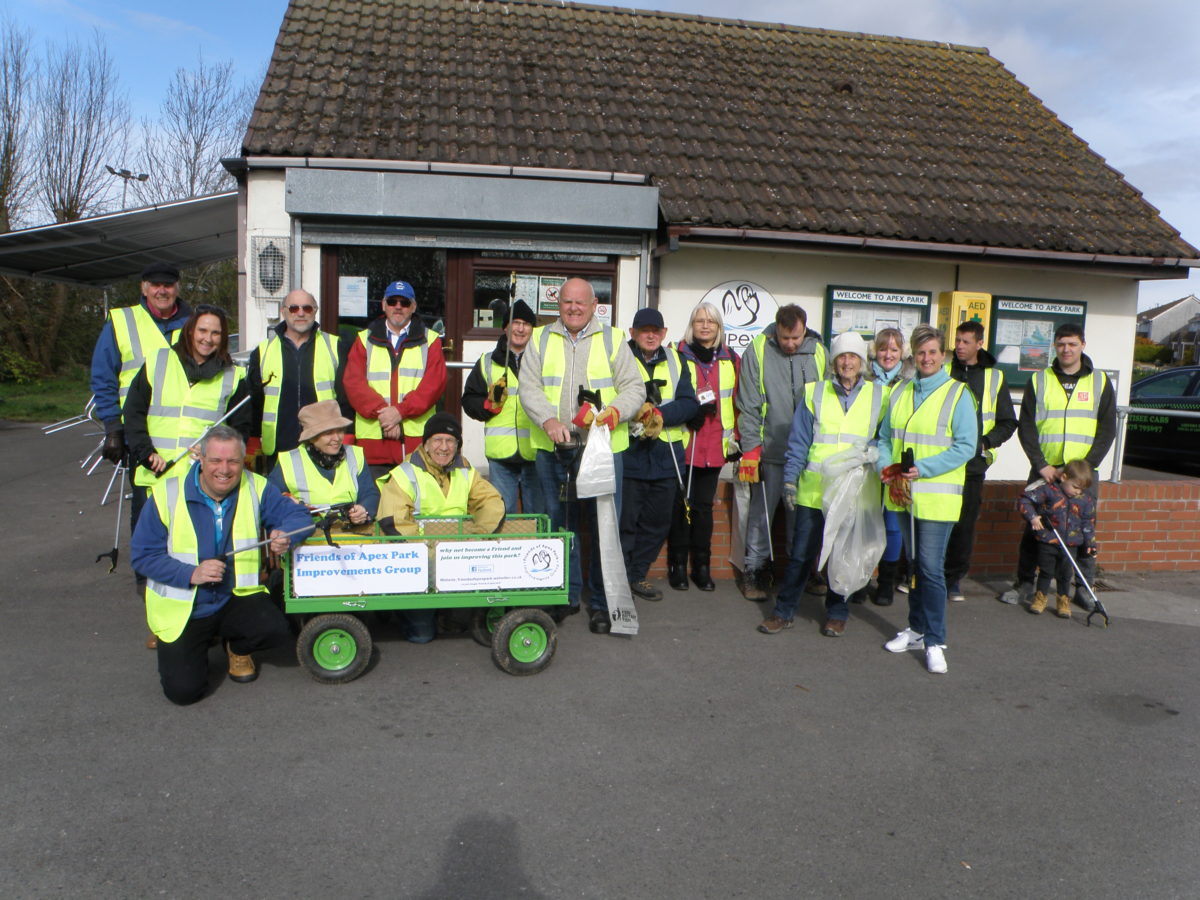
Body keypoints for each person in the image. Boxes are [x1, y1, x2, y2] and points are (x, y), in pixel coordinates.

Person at [131, 426, 315, 705]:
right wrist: (191, 573)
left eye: (233, 461)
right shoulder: (165, 493)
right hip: (186, 607)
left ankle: (237, 648)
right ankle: (188, 645)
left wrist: (287, 533)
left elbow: (300, 516)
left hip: (236, 596)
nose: (225, 469)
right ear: (201, 460)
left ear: (243, 462)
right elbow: (143, 555)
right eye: (216, 461)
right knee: (184, 693)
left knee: (277, 629)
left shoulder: (256, 486)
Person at [518, 277, 646, 634]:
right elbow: (528, 388)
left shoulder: (613, 338)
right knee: (561, 526)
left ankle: (603, 605)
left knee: (604, 529)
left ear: (594, 306)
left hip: (603, 449)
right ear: (558, 305)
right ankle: (565, 597)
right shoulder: (541, 338)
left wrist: (615, 413)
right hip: (553, 450)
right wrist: (547, 421)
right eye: (567, 302)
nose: (573, 308)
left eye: (581, 303)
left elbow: (635, 388)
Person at [123, 303, 250, 650]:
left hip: (203, 483)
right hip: (156, 478)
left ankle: (210, 625)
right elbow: (133, 412)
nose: (208, 339)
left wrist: (215, 450)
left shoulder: (233, 375)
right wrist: (146, 453)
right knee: (152, 553)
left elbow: (241, 429)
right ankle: (160, 622)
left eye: (216, 333)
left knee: (203, 551)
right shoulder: (159, 362)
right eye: (202, 330)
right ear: (190, 330)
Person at [758, 331, 885, 637]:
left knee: (844, 554)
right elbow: (799, 441)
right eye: (842, 356)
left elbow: (885, 440)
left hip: (854, 490)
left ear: (862, 361)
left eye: (853, 356)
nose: (847, 362)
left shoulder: (880, 396)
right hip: (814, 490)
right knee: (801, 554)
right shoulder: (815, 392)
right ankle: (783, 611)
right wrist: (789, 479)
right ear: (833, 361)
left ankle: (837, 613)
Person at [877, 325, 977, 675]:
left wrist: (925, 468)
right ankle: (917, 630)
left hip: (936, 498)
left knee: (931, 570)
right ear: (913, 357)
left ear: (943, 356)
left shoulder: (958, 394)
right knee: (915, 565)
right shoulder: (901, 391)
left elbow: (965, 447)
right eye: (921, 353)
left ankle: (935, 640)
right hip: (904, 494)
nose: (927, 358)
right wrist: (883, 466)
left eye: (933, 352)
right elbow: (885, 437)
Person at [1001, 323, 1115, 609]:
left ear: (1083, 345)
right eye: (1062, 344)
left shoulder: (1100, 382)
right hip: (1046, 472)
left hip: (1083, 477)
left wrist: (1083, 471)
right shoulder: (1040, 380)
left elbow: (1107, 429)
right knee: (1034, 529)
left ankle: (1083, 588)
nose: (1066, 349)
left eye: (1072, 344)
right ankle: (1026, 584)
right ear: (1055, 346)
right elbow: (1026, 426)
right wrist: (1041, 465)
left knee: (1084, 530)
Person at [376, 412, 505, 643]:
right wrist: (434, 555)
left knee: (459, 618)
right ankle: (402, 611)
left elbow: (491, 502)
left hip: (455, 557)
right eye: (437, 440)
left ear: (457, 446)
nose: (443, 447)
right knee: (422, 635)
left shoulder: (465, 470)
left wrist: (478, 536)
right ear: (425, 444)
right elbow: (395, 524)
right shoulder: (404, 474)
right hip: (418, 561)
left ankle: (447, 613)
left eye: (450, 441)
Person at [735, 304, 826, 601]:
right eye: (785, 338)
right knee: (762, 517)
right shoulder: (758, 350)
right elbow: (748, 404)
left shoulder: (819, 351)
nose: (790, 344)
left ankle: (802, 571)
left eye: (796, 338)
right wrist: (751, 450)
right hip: (770, 450)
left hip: (808, 453)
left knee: (802, 516)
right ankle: (755, 571)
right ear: (776, 330)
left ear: (805, 329)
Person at [619, 308, 698, 601]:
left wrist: (658, 413)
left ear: (664, 334)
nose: (650, 335)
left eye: (656, 330)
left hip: (667, 459)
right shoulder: (619, 358)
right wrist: (638, 412)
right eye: (644, 330)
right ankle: (622, 577)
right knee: (625, 523)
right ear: (633, 333)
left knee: (657, 524)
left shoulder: (678, 360)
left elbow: (690, 404)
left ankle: (637, 574)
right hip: (630, 455)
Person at [90, 262, 193, 470]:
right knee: (144, 499)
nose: (162, 291)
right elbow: (103, 377)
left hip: (187, 436)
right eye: (155, 285)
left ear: (177, 288)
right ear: (144, 288)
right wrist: (112, 428)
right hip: (138, 432)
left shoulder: (195, 324)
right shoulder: (121, 322)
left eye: (168, 285)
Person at [667, 301, 741, 592]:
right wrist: (687, 413)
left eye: (711, 322)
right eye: (699, 321)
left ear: (719, 327)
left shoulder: (731, 359)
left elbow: (737, 401)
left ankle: (702, 566)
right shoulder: (676, 354)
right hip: (686, 439)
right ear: (692, 325)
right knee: (680, 506)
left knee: (702, 508)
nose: (705, 326)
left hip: (714, 444)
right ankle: (677, 566)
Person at [943, 321, 1017, 602]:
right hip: (942, 461)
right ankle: (922, 574)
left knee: (964, 525)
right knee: (934, 520)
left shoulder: (994, 377)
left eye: (965, 341)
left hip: (973, 465)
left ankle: (953, 580)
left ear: (979, 344)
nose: (959, 346)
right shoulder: (944, 370)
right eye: (957, 341)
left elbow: (1008, 422)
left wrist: (985, 443)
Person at [342, 280, 447, 478]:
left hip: (416, 445)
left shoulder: (431, 340)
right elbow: (353, 383)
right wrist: (386, 416)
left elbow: (433, 386)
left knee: (416, 505)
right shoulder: (364, 339)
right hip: (373, 443)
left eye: (404, 302)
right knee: (375, 505)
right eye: (392, 301)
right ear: (383, 305)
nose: (398, 307)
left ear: (413, 307)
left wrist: (399, 412)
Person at [246, 289, 349, 470]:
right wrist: (253, 443)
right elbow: (254, 404)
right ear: (283, 311)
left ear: (315, 311)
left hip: (322, 447)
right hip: (278, 450)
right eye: (294, 308)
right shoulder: (263, 352)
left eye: (307, 308)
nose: (300, 313)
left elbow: (345, 400)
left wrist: (346, 437)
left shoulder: (335, 347)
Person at [461, 298, 542, 514]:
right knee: (504, 518)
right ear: (505, 327)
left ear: (533, 330)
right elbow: (468, 401)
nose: (520, 328)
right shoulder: (487, 362)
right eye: (515, 322)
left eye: (526, 324)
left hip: (536, 451)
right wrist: (487, 405)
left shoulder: (543, 361)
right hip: (501, 456)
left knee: (537, 519)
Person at [268, 399, 378, 530]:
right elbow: (271, 501)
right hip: (309, 539)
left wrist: (364, 509)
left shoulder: (355, 454)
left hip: (352, 538)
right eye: (328, 433)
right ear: (312, 437)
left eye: (340, 431)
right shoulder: (288, 460)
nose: (337, 438)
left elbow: (370, 494)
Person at [866, 328, 914, 606]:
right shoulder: (863, 376)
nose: (888, 355)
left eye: (894, 350)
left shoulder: (910, 381)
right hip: (863, 456)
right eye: (884, 349)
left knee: (892, 522)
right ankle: (860, 579)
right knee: (863, 517)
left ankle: (886, 582)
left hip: (893, 457)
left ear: (902, 353)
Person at [1016, 459, 1098, 618]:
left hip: (1071, 543)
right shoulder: (1049, 491)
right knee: (1046, 571)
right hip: (1049, 539)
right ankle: (1040, 598)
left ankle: (1063, 601)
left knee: (1065, 574)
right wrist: (1033, 517)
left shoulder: (1085, 500)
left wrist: (1090, 544)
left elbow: (1088, 524)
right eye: (1075, 487)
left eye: (1082, 489)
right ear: (1064, 477)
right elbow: (1025, 499)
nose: (1078, 492)